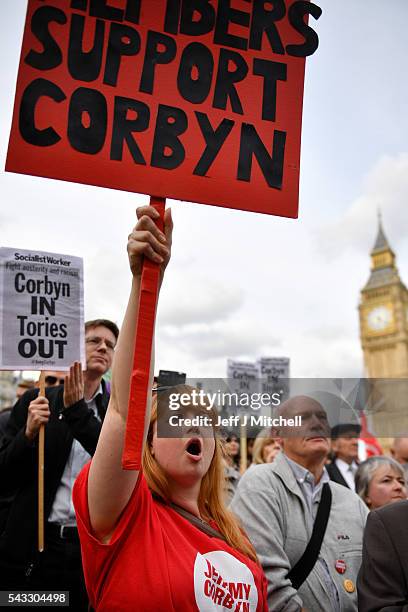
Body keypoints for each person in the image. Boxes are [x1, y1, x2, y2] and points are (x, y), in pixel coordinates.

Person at [72, 206, 268, 611]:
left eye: (203, 420)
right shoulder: (129, 515)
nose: (192, 426)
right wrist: (147, 284)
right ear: (146, 441)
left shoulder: (240, 541)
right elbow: (126, 409)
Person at [0, 318, 119, 610]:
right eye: (94, 341)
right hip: (35, 547)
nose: (103, 347)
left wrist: (78, 412)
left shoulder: (115, 414)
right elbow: (3, 476)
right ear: (75, 348)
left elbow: (117, 467)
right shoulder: (37, 399)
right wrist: (27, 435)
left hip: (85, 550)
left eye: (110, 345)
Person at [231, 395, 368, 612]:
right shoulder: (260, 483)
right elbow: (266, 580)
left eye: (322, 418)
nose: (317, 424)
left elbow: (376, 579)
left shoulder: (351, 501)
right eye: (303, 418)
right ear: (277, 435)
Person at [357, 499, 408, 611]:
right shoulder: (388, 521)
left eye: (401, 481)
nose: (398, 487)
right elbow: (379, 605)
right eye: (386, 480)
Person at [326, 423, 361, 490]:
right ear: (334, 445)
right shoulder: (326, 473)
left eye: (356, 437)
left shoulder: (365, 470)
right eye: (348, 438)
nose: (355, 442)